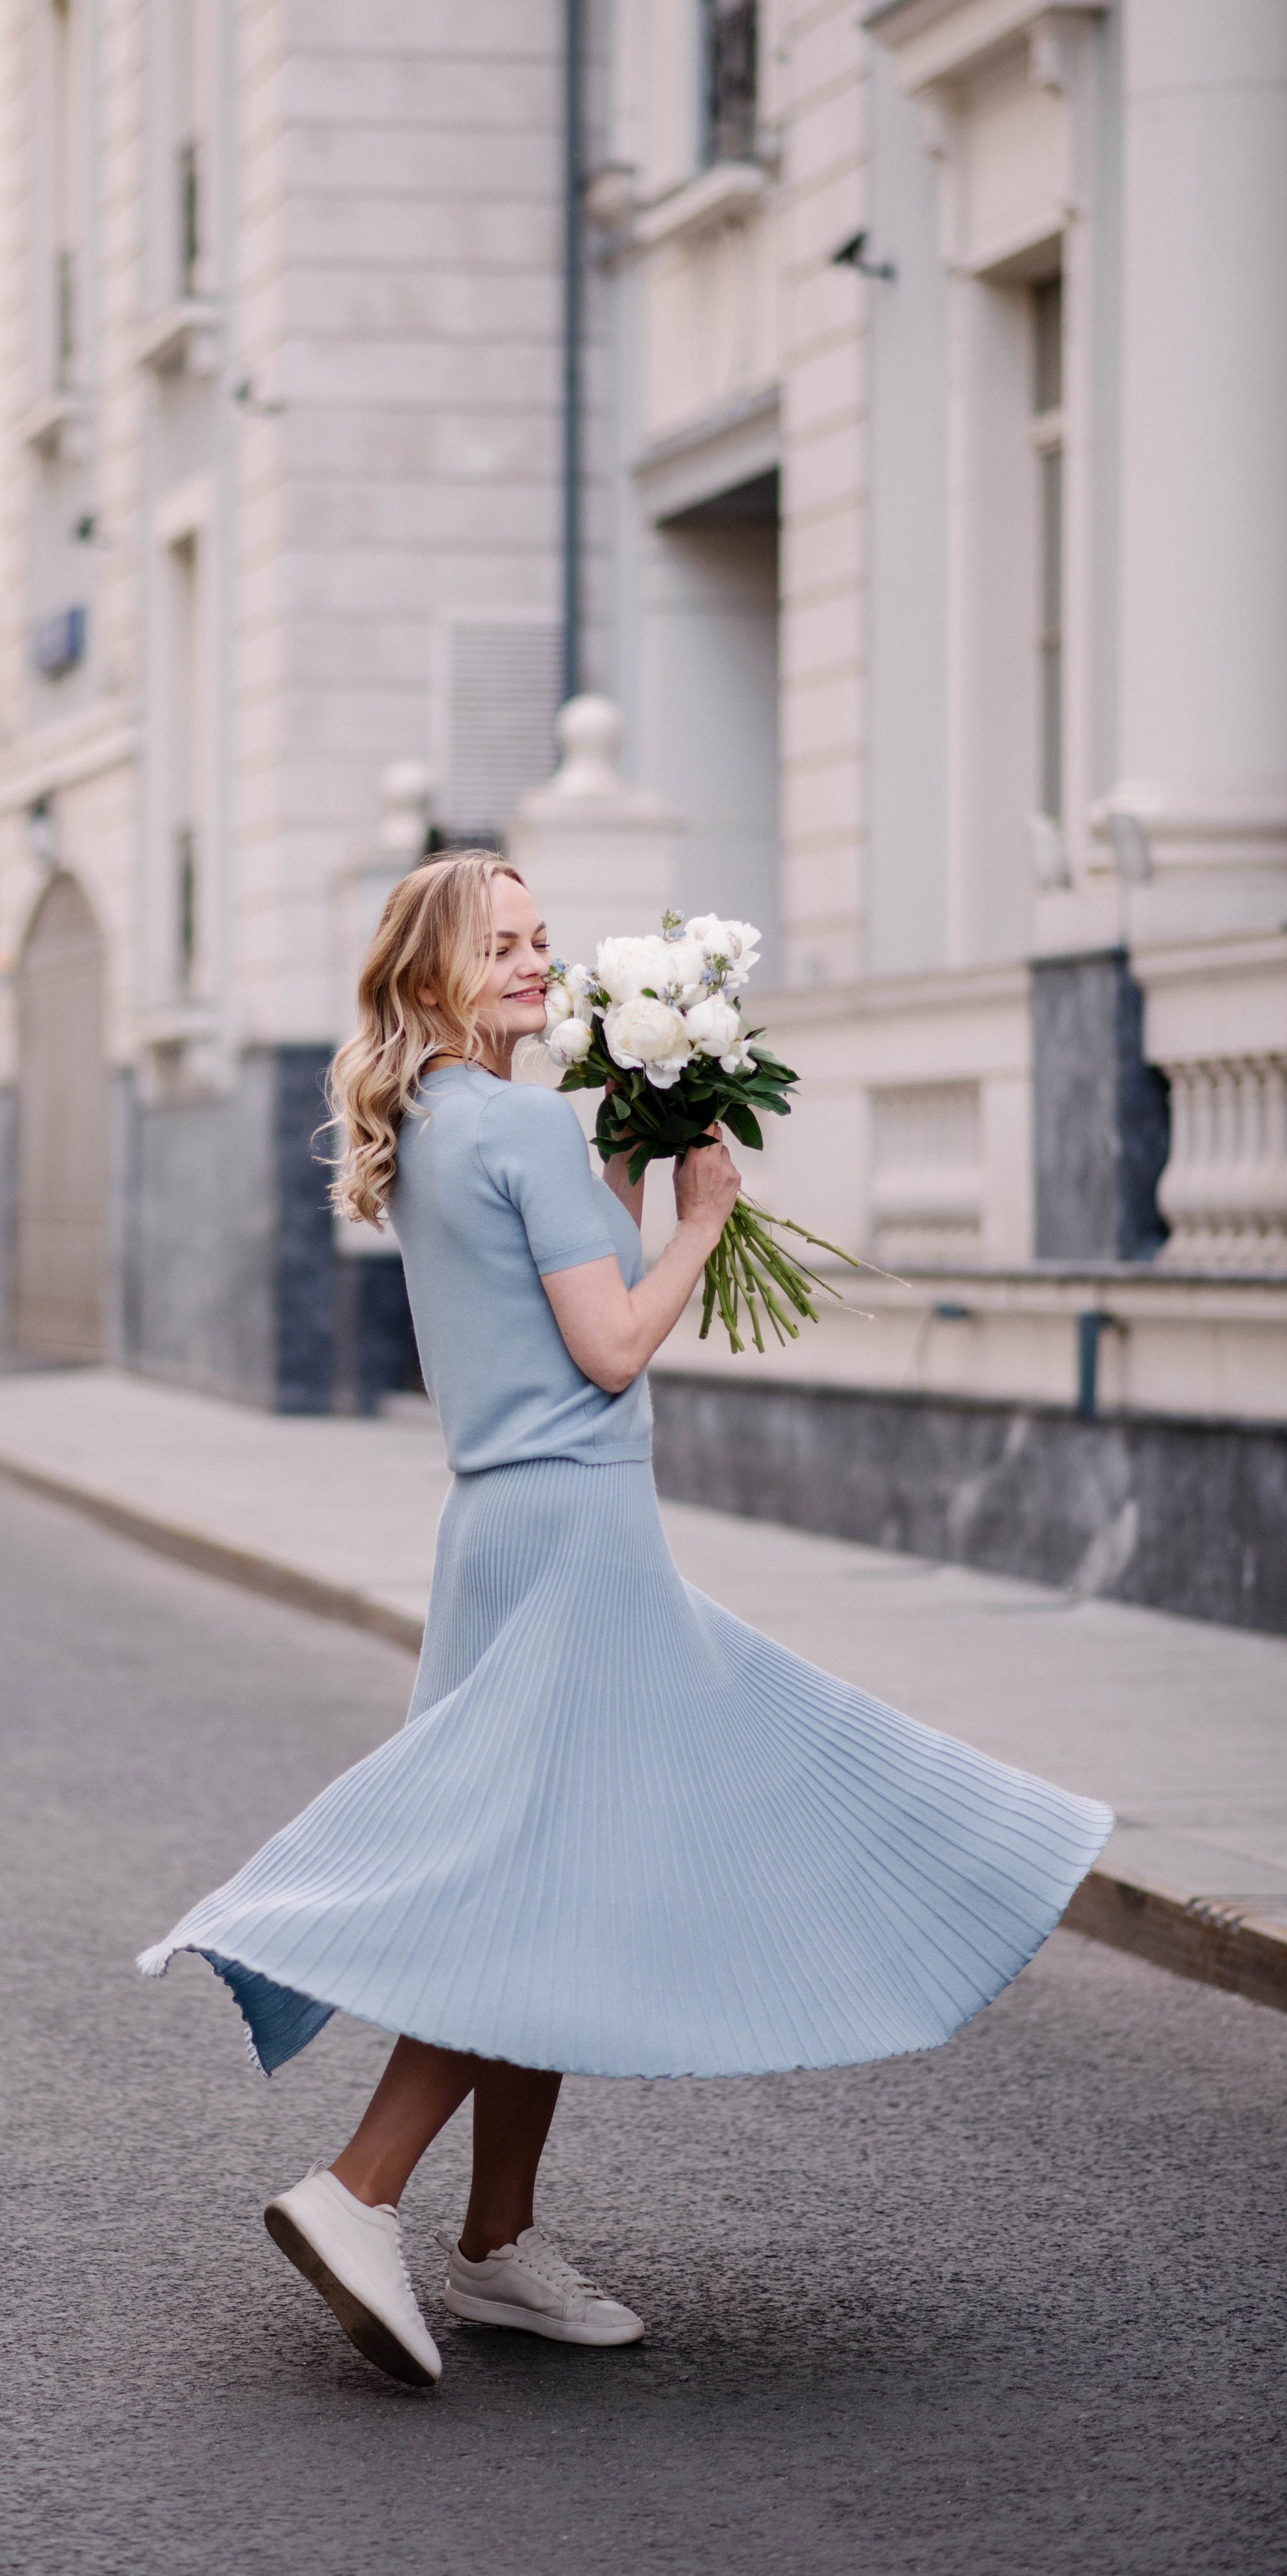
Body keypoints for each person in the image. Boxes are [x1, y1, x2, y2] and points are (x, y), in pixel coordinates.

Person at [138, 852, 1112, 2391]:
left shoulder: (449, 1124)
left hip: (495, 1528)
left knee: (553, 1872)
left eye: (540, 939)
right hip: (576, 1523)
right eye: (498, 946)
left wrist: (637, 1173)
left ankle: (498, 2241)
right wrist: (704, 1219)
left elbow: (540, 1291)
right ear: (428, 976)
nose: (534, 963)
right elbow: (600, 1347)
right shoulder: (516, 1118)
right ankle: (359, 2188)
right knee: (529, 1874)